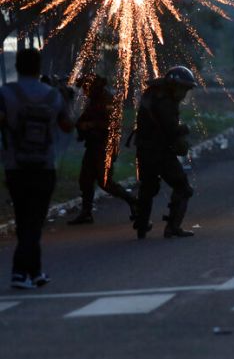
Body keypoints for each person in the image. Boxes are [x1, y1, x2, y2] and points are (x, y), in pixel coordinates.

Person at [0, 48, 73, 289]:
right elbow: (67, 126)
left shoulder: (5, 93)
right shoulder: (52, 96)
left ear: (18, 67)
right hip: (44, 167)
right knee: (34, 221)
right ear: (39, 67)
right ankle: (21, 273)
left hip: (15, 167)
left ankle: (35, 271)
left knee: (24, 219)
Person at [132, 66, 197, 240]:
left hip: (145, 150)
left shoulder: (153, 95)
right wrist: (185, 129)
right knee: (183, 188)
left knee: (147, 188)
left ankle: (142, 226)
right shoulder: (165, 102)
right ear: (173, 85)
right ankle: (173, 227)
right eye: (183, 89)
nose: (184, 94)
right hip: (159, 152)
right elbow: (170, 129)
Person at [68, 75, 136, 225]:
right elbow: (83, 118)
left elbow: (113, 125)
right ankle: (86, 213)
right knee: (85, 180)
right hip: (93, 145)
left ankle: (133, 202)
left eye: (86, 88)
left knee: (105, 182)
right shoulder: (93, 101)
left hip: (105, 146)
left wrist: (91, 125)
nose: (84, 91)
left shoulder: (108, 100)